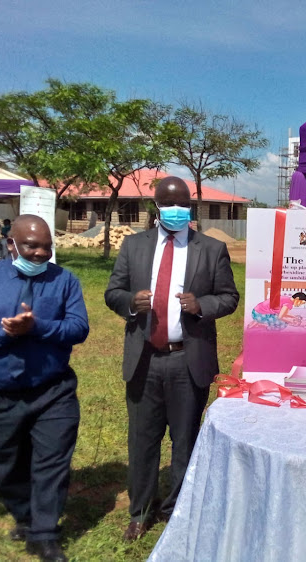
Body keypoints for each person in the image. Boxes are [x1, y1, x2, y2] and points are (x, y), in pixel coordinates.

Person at [104, 176, 239, 542]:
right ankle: (140, 511)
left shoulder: (210, 248)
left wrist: (202, 306)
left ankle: (177, 509)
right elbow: (112, 291)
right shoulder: (134, 246)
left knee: (185, 439)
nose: (178, 210)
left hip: (187, 360)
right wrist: (130, 303)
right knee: (142, 440)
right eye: (170, 204)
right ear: (157, 207)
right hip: (144, 359)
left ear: (190, 206)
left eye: (184, 204)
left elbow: (229, 297)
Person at [0, 215, 89, 562]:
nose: (40, 253)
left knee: (52, 462)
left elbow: (78, 328)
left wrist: (38, 327)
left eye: (46, 247)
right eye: (31, 246)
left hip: (53, 391)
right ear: (11, 244)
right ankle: (25, 515)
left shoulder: (64, 280)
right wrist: (3, 333)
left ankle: (45, 533)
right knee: (4, 464)